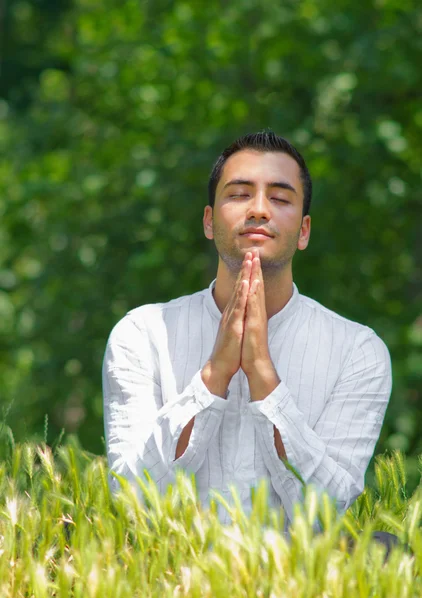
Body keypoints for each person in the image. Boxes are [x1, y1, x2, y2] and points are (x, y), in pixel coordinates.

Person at [102, 131, 392, 536]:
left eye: (280, 198)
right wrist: (212, 377)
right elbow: (129, 498)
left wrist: (264, 379)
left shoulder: (357, 351)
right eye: (239, 194)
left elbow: (328, 514)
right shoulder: (142, 335)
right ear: (208, 221)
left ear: (304, 231)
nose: (259, 210)